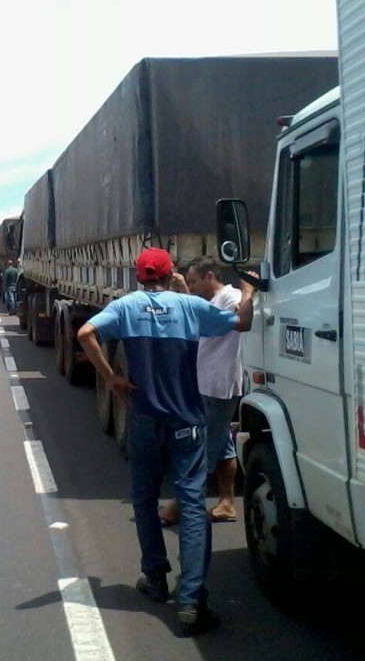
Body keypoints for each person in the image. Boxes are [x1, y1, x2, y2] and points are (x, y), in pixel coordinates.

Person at [76, 248, 253, 636]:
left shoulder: (125, 307)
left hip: (144, 422)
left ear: (139, 276)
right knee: (191, 505)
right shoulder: (189, 306)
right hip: (187, 423)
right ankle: (190, 602)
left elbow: (86, 333)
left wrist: (112, 378)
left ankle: (155, 578)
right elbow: (241, 323)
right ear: (170, 272)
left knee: (144, 498)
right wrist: (249, 292)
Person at [159, 257, 242, 525]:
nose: (191, 287)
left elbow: (234, 320)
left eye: (194, 281)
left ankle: (179, 506)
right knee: (224, 447)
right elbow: (197, 313)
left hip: (220, 385)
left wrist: (250, 293)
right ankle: (227, 502)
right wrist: (183, 288)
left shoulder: (230, 297)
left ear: (209, 277)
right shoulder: (212, 301)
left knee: (203, 450)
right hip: (207, 382)